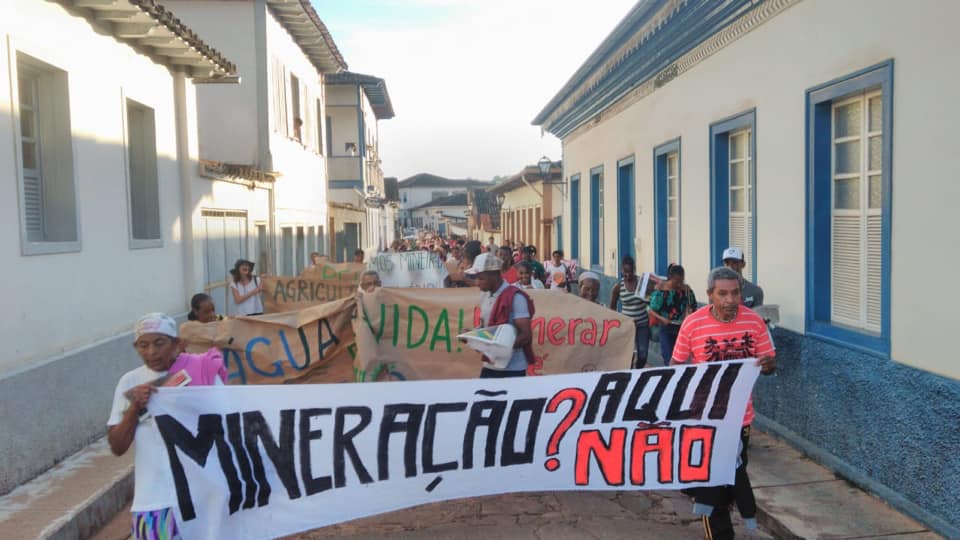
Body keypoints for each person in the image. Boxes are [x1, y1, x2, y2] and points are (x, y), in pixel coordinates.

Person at [671, 267, 777, 540]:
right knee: (713, 485)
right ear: (709, 295)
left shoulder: (754, 323)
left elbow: (769, 363)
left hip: (741, 421)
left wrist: (767, 364)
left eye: (736, 293)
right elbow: (676, 367)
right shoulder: (693, 324)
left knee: (732, 481)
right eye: (723, 294)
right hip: (704, 421)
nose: (731, 300)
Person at [108, 313, 227, 540]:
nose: (151, 352)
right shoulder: (129, 383)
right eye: (143, 345)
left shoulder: (202, 371)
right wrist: (134, 408)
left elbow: (228, 424)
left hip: (203, 496)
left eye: (159, 343)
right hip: (155, 500)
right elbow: (117, 446)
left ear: (177, 344)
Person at [465, 253, 534, 378]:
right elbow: (486, 328)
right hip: (490, 365)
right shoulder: (484, 295)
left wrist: (498, 349)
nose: (477, 282)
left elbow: (526, 335)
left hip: (513, 369)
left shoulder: (516, 297)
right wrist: (472, 335)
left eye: (481, 278)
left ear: (494, 275)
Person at [648, 264, 695, 364]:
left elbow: (691, 306)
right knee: (668, 358)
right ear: (671, 278)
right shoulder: (661, 291)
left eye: (681, 281)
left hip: (681, 329)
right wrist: (662, 318)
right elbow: (650, 310)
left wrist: (688, 314)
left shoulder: (687, 290)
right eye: (676, 281)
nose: (679, 284)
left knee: (679, 359)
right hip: (666, 328)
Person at [609, 256, 651, 369]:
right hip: (627, 327)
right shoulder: (618, 287)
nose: (628, 274)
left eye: (630, 271)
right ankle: (629, 375)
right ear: (622, 270)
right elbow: (612, 307)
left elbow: (650, 301)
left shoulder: (641, 284)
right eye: (625, 272)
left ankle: (638, 372)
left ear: (634, 269)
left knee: (643, 354)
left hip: (643, 324)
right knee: (628, 355)